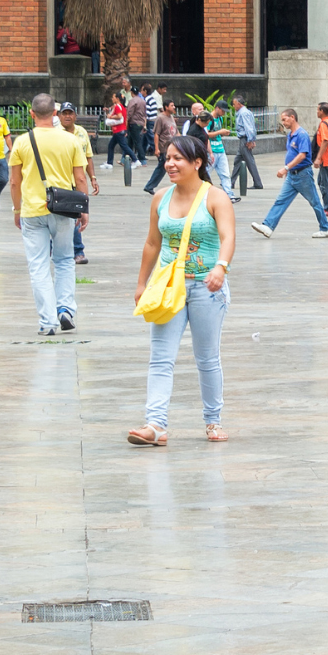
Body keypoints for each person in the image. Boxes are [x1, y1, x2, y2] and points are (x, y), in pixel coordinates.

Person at [128, 131, 235, 448]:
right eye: (167, 158)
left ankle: (213, 421)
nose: (170, 164)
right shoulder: (160, 198)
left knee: (207, 358)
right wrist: (141, 283)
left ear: (197, 162)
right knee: (160, 358)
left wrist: (220, 267)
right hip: (168, 286)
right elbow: (152, 243)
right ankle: (156, 425)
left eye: (177, 158)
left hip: (207, 287)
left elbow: (228, 237)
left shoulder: (215, 197)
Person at [9, 92, 90, 336]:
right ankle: (65, 309)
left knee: (38, 265)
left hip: (32, 210)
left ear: (32, 114)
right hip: (64, 208)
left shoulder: (22, 142)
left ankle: (48, 321)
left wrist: (17, 208)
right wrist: (84, 209)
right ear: (55, 114)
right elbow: (79, 177)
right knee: (65, 260)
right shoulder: (70, 140)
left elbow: (14, 181)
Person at [250, 109, 328, 238]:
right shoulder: (291, 135)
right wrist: (289, 171)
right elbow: (292, 153)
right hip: (292, 175)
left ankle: (325, 228)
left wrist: (286, 168)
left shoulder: (302, 134)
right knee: (281, 200)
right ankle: (268, 226)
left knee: (314, 201)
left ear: (292, 117)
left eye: (284, 119)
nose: (283, 123)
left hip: (303, 174)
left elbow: (302, 155)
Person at [58, 102, 98, 265]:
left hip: (78, 181)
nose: (67, 116)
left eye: (70, 113)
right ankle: (59, 249)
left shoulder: (81, 133)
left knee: (75, 216)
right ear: (59, 116)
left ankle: (78, 250)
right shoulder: (55, 133)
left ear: (75, 115)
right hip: (61, 180)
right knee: (60, 218)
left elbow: (88, 157)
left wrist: (92, 177)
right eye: (64, 113)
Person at [143, 95, 178, 194]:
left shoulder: (171, 117)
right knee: (162, 167)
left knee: (163, 168)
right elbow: (156, 134)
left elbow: (175, 131)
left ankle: (150, 186)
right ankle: (150, 186)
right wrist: (157, 148)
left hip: (172, 147)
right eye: (172, 105)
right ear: (166, 107)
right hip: (164, 147)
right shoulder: (160, 118)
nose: (174, 107)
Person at [232, 92, 263, 192]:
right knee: (237, 161)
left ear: (239, 104)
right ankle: (231, 182)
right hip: (244, 139)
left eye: (234, 104)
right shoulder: (244, 112)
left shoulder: (243, 113)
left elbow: (249, 128)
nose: (233, 106)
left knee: (249, 161)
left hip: (245, 139)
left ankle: (258, 183)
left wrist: (250, 140)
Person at [103, 92, 129, 169]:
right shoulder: (121, 107)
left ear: (117, 99)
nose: (112, 98)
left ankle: (135, 159)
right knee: (112, 145)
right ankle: (109, 163)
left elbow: (119, 116)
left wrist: (110, 117)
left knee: (124, 146)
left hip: (119, 130)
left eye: (113, 97)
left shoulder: (118, 106)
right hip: (119, 130)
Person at [126, 87, 149, 166]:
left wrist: (126, 123)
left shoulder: (132, 101)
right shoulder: (143, 101)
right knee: (130, 141)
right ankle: (126, 158)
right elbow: (145, 114)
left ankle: (142, 159)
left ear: (132, 93)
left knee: (137, 142)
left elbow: (129, 113)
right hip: (141, 123)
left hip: (134, 123)